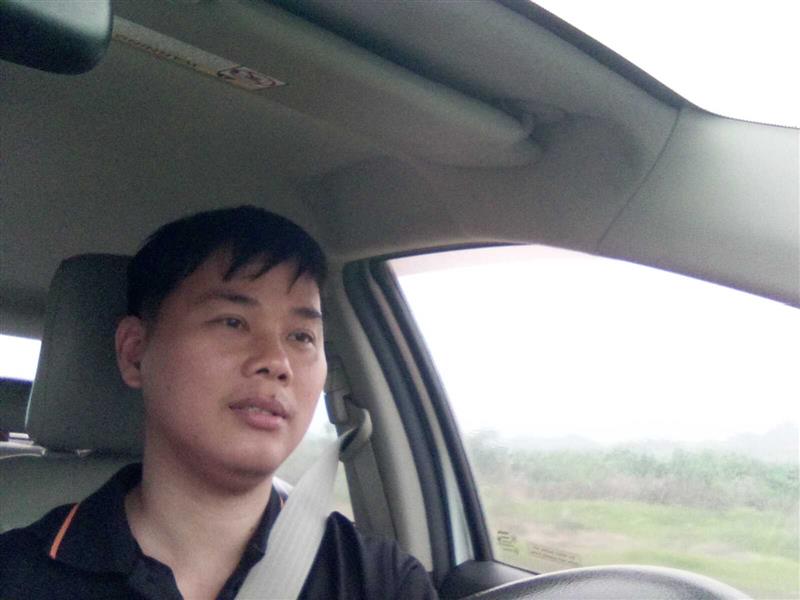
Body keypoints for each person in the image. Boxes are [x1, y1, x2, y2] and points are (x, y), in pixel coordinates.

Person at [0, 206, 437, 599]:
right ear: (135, 352)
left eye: (301, 336)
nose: (277, 362)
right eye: (233, 322)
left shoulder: (380, 581)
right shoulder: (17, 576)